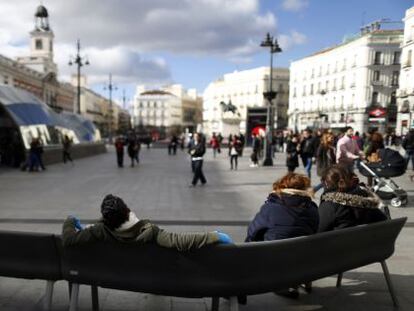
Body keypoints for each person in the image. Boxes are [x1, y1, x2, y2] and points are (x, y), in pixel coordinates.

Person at [62, 194, 233, 250]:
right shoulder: (149, 231)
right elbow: (178, 241)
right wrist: (214, 236)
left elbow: (68, 239)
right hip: (153, 277)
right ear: (127, 211)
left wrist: (70, 221)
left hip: (112, 277)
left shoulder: (99, 231)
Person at [246, 173, 319, 298]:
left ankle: (281, 284)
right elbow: (314, 229)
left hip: (275, 259)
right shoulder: (312, 208)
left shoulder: (271, 207)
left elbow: (252, 232)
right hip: (304, 259)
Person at [318, 165, 387, 232]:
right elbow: (384, 221)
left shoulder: (330, 205)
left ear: (327, 184)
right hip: (371, 242)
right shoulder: (367, 199)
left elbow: (316, 233)